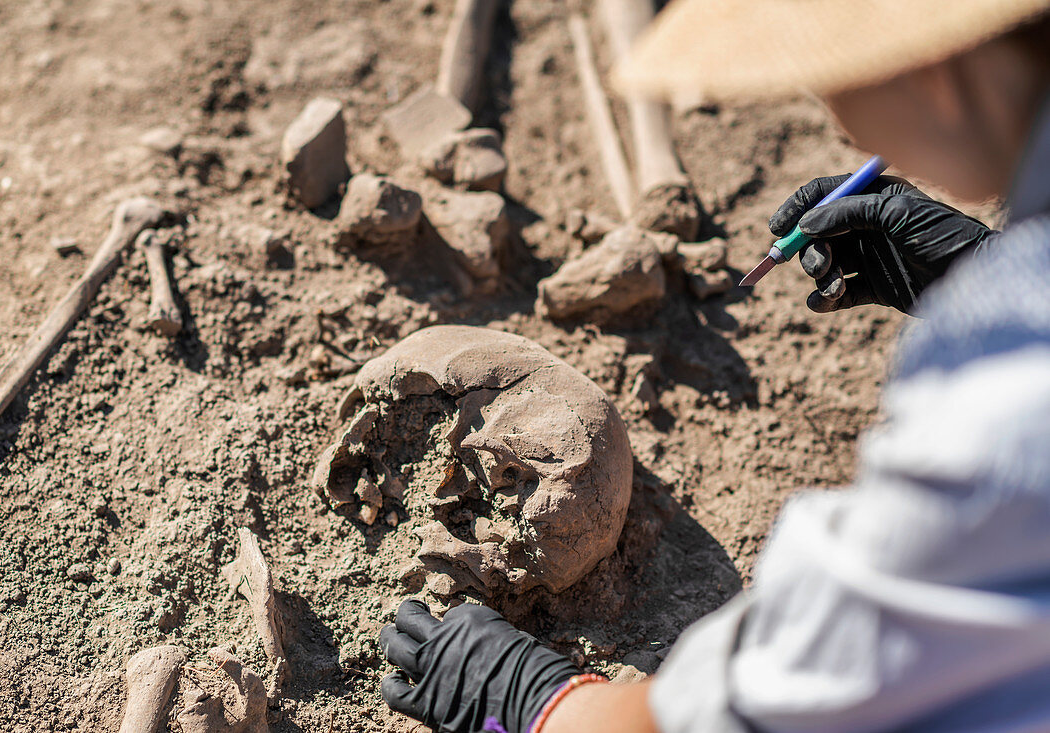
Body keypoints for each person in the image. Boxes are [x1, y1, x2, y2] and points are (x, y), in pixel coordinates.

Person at [378, 1, 1050, 731]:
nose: (830, 113)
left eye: (830, 78)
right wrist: (981, 262)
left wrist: (537, 701)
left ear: (930, 68)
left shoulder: (1006, 401)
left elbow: (799, 695)